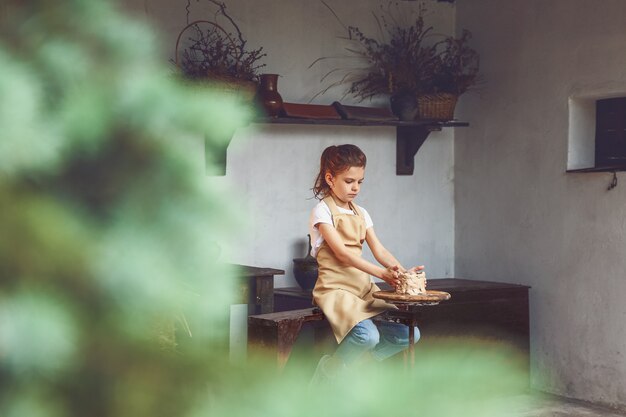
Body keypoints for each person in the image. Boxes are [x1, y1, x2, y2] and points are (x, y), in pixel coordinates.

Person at [309, 144, 424, 383]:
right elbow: (343, 255)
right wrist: (382, 274)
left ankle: (355, 368)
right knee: (367, 337)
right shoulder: (322, 211)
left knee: (411, 334)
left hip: (363, 289)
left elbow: (379, 250)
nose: (355, 188)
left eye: (360, 182)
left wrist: (403, 274)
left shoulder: (361, 212)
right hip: (336, 290)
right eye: (349, 181)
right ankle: (329, 370)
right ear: (330, 178)